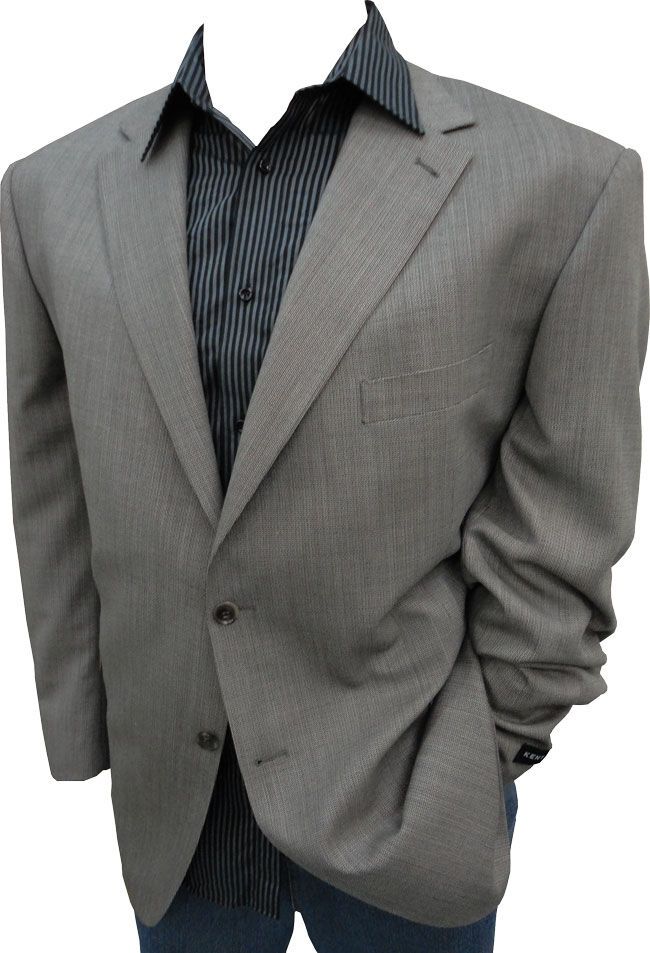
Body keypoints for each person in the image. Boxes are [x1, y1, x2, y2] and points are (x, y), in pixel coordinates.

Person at [1, 2, 647, 951]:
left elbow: (570, 501)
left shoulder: (564, 183)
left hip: (407, 792)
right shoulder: (49, 191)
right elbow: (52, 481)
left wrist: (491, 740)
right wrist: (83, 723)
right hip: (178, 806)